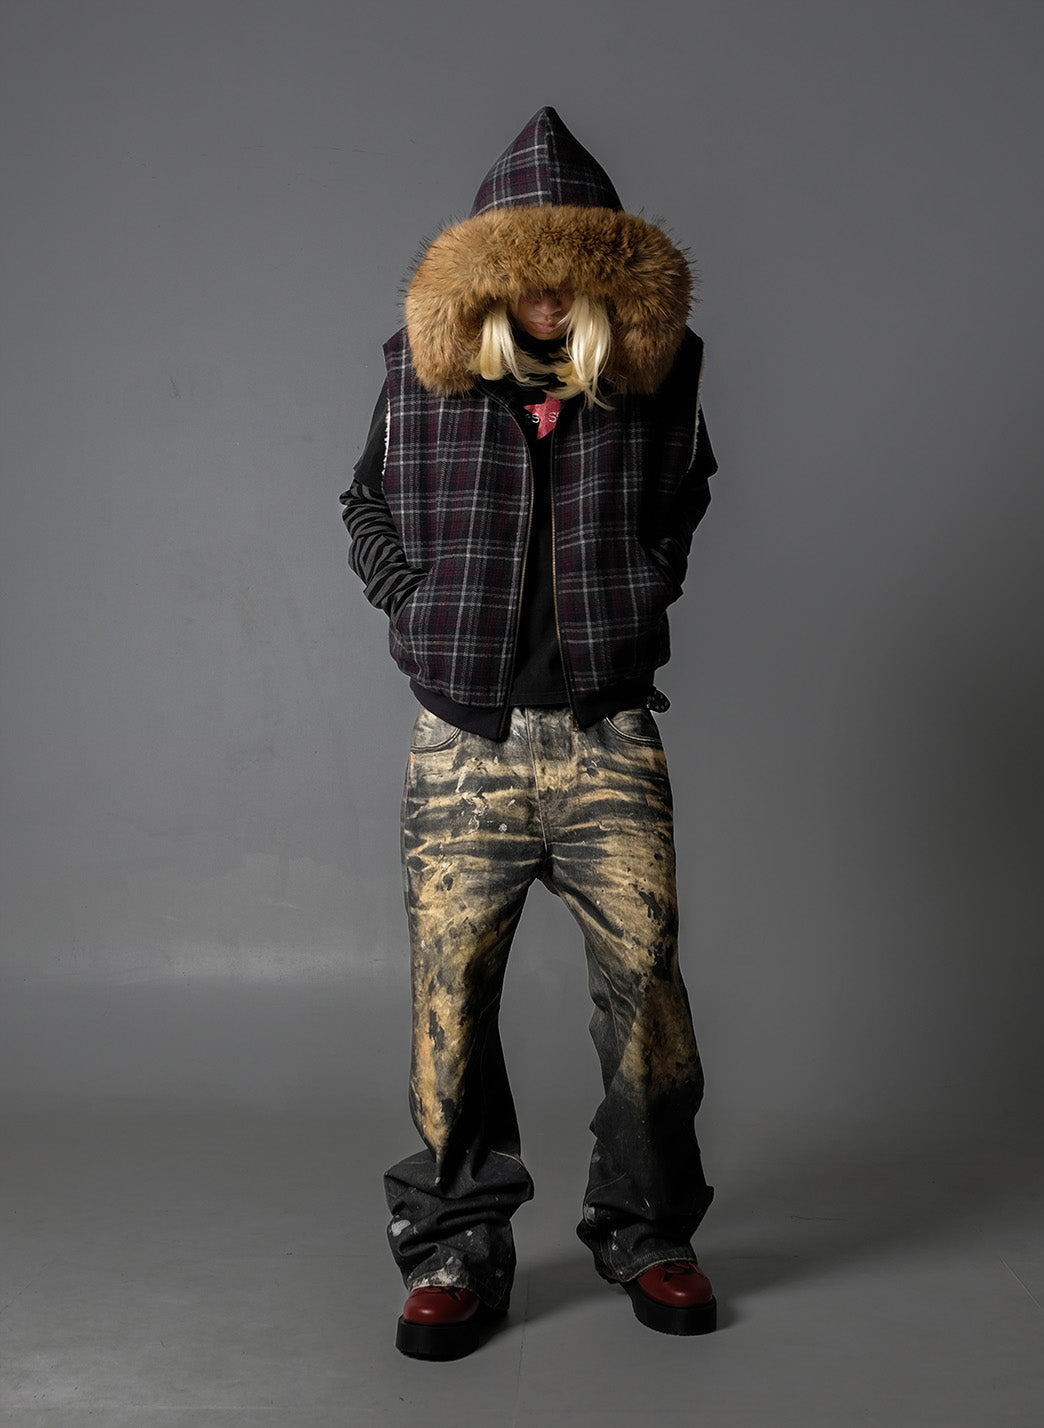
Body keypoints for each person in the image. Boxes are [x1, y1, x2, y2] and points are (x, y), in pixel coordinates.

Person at [341, 107, 717, 1360]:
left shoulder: (661, 374)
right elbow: (363, 501)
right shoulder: (421, 370)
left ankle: (647, 1228)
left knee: (648, 991)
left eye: (574, 270)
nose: (550, 295)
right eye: (526, 271)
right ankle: (455, 1240)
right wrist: (416, 608)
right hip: (465, 749)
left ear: (607, 273)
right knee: (450, 1001)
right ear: (490, 277)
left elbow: (687, 491)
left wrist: (645, 585)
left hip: (610, 736)